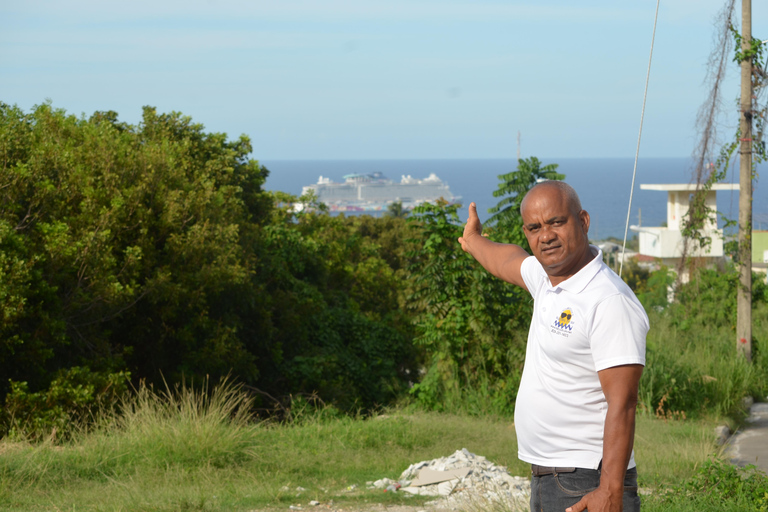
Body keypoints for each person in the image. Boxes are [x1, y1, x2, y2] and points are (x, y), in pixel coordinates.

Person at [458, 181, 648, 512]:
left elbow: (624, 403)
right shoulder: (548, 279)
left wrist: (609, 490)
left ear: (583, 221)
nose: (545, 236)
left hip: (587, 480)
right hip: (551, 477)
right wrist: (473, 240)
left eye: (557, 222)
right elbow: (506, 260)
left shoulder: (608, 300)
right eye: (534, 228)